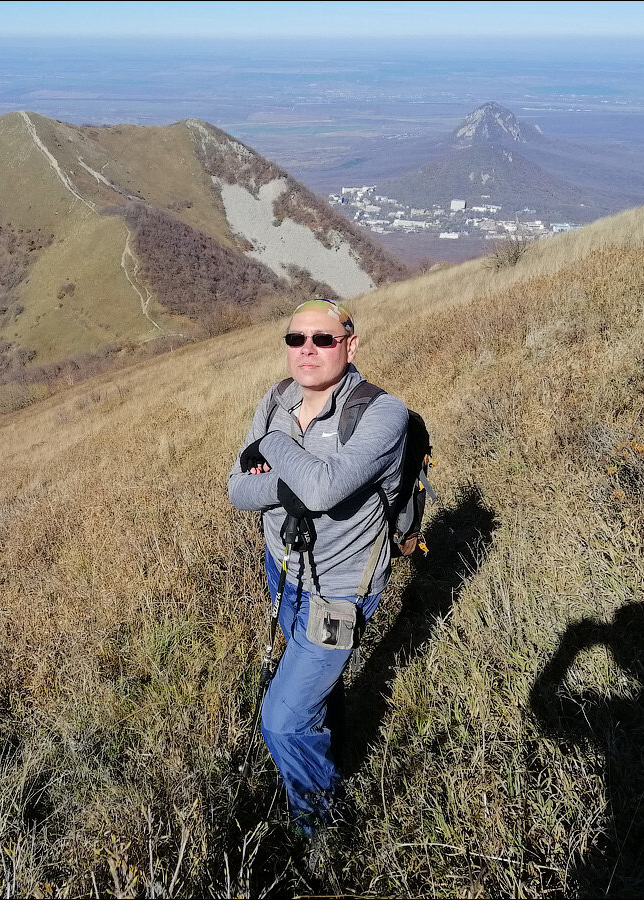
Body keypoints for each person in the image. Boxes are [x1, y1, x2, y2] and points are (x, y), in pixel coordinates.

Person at [227, 298, 409, 832]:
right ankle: (332, 747)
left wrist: (274, 445)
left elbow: (326, 488)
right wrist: (296, 480)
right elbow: (238, 490)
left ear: (350, 345)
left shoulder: (382, 413)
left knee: (281, 722)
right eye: (296, 339)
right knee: (313, 699)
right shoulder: (278, 397)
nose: (308, 349)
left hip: (339, 592)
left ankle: (318, 826)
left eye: (323, 339)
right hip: (281, 571)